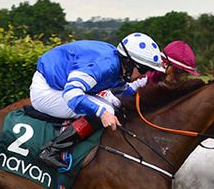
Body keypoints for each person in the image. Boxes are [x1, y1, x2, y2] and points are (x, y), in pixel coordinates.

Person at [31, 33, 165, 169]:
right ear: (129, 62)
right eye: (143, 69)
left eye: (148, 71)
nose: (144, 75)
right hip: (47, 90)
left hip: (59, 85)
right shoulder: (104, 66)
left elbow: (122, 91)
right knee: (106, 110)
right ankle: (52, 150)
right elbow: (71, 93)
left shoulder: (118, 65)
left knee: (114, 105)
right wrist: (101, 113)